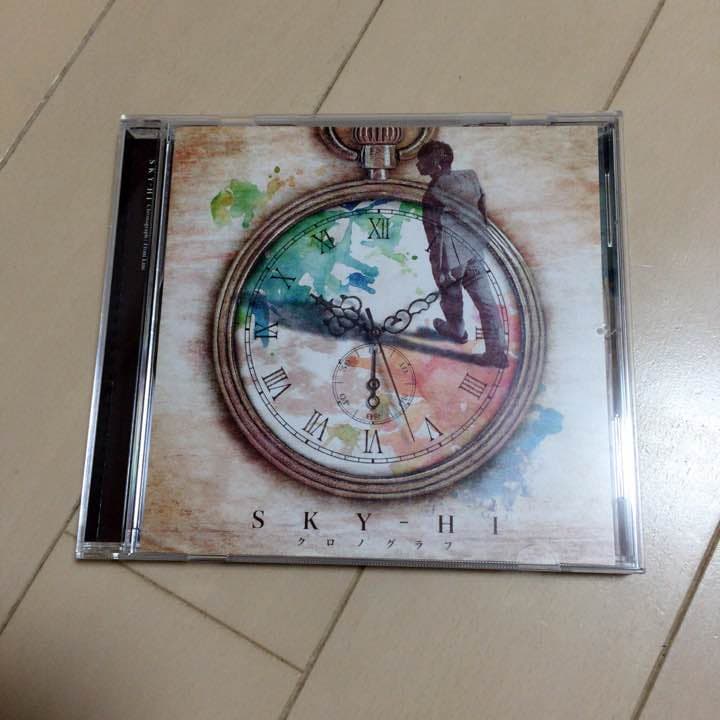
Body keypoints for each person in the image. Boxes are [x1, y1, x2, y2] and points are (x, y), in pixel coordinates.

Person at [416, 140, 508, 368]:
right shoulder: (470, 176)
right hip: (475, 247)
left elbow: (434, 231)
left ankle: (457, 330)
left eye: (422, 161)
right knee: (486, 301)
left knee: (451, 293)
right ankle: (497, 353)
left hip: (450, 255)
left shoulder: (433, 193)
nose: (418, 165)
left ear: (436, 164)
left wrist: (440, 265)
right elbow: (482, 208)